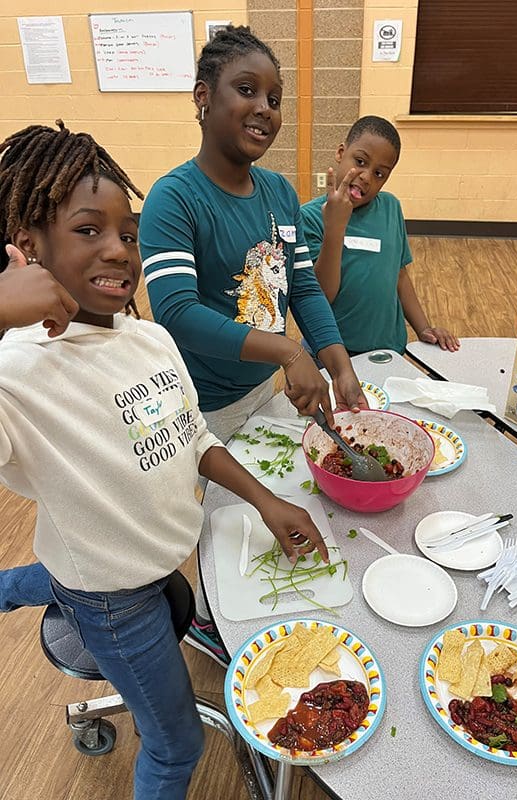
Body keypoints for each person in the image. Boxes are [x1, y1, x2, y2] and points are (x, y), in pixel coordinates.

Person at [0, 121, 329, 800]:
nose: (119, 250)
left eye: (128, 231)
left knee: (58, 571)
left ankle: (17, 584)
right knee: (177, 746)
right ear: (29, 246)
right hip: (116, 598)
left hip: (142, 550)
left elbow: (194, 438)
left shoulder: (146, 337)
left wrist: (265, 500)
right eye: (89, 230)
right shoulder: (18, 371)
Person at [138, 26, 367, 661]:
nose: (265, 108)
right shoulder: (173, 198)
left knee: (267, 508)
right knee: (218, 524)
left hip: (258, 391)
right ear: (202, 98)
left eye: (275, 97)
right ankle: (211, 624)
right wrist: (290, 353)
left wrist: (335, 360)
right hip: (194, 408)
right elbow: (178, 312)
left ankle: (237, 609)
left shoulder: (278, 195)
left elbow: (301, 288)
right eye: (247, 90)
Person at [301, 115, 460, 357]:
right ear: (341, 152)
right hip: (331, 354)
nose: (366, 176)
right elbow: (321, 296)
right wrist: (334, 228)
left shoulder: (390, 208)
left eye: (379, 174)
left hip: (388, 351)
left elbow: (400, 276)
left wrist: (424, 328)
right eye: (361, 161)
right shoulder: (310, 217)